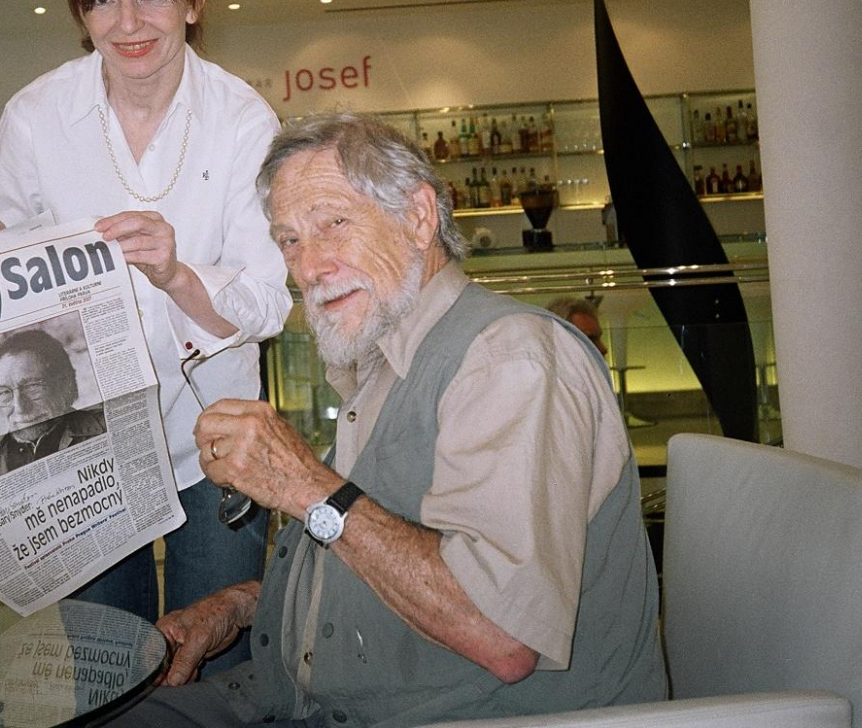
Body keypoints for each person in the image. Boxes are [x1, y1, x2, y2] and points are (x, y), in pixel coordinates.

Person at [113, 113, 665, 726]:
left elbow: (502, 635)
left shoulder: (507, 360)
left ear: (420, 217)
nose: (310, 267)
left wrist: (303, 485)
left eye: (334, 225)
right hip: (297, 696)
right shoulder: (382, 359)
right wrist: (240, 608)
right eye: (290, 240)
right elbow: (386, 561)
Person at [0, 0, 292, 661]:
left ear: (196, 0)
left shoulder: (243, 121)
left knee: (218, 663)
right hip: (81, 441)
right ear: (80, 11)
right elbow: (0, 277)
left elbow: (269, 299)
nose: (127, 23)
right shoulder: (36, 116)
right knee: (106, 669)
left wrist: (178, 274)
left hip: (214, 434)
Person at [0, 329, 107, 482]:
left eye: (32, 387)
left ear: (64, 384)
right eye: (4, 392)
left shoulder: (106, 427)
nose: (20, 407)